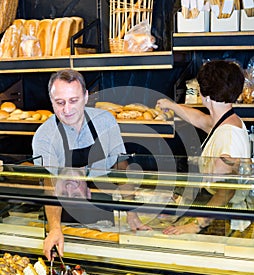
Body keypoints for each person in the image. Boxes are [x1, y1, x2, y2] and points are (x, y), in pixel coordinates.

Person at [32, 69, 150, 260]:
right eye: (60, 103)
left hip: (102, 209)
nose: (67, 110)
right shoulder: (44, 136)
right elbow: (50, 185)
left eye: (73, 101)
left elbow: (121, 166)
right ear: (51, 101)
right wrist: (54, 229)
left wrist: (131, 211)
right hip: (64, 217)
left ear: (86, 97)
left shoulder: (105, 122)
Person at [156, 60, 251, 235]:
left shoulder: (228, 137)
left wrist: (196, 225)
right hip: (220, 215)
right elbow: (200, 120)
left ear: (203, 94)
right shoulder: (228, 120)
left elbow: (226, 191)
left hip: (223, 221)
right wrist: (171, 106)